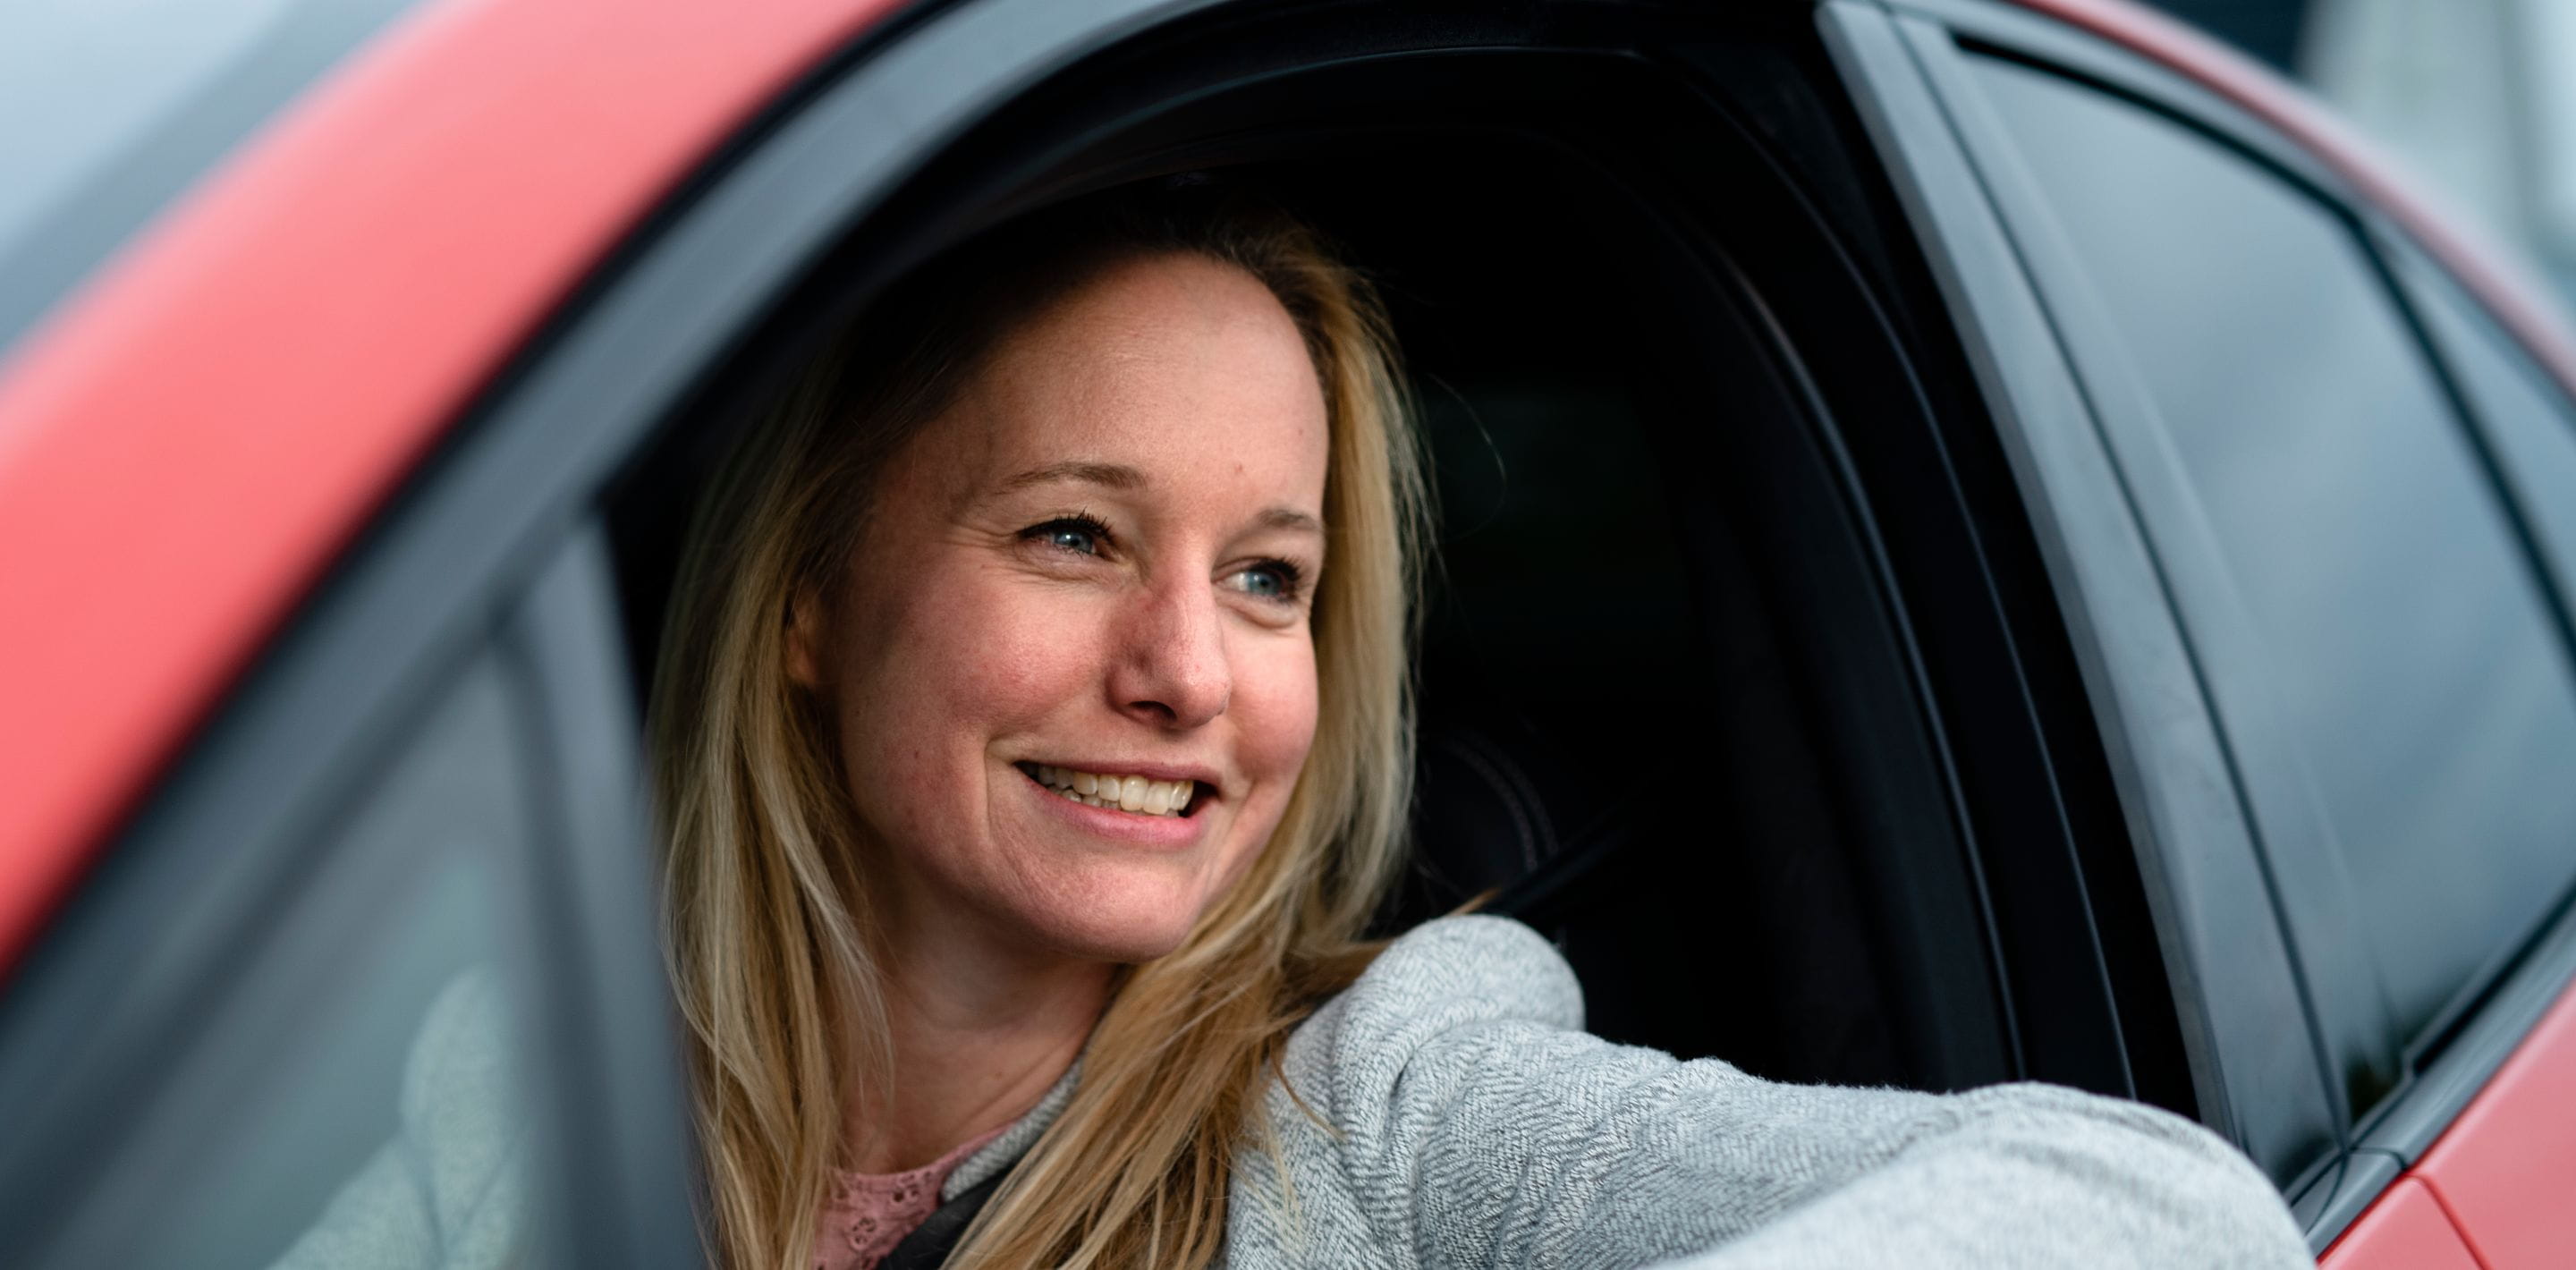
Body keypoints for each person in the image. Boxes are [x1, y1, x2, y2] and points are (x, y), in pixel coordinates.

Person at [276, 179, 2312, 1270]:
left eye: (1270, 578)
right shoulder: (541, 1086)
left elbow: (2169, 1219)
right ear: (809, 602)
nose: (1192, 671)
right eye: (1077, 533)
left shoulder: (1388, 1103)